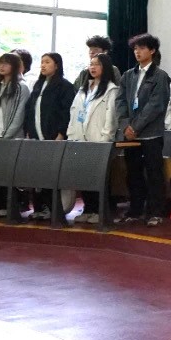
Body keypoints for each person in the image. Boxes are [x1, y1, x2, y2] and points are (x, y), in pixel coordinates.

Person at [114, 33, 171, 227]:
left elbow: (156, 105)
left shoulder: (160, 76)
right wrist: (125, 126)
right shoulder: (128, 75)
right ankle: (135, 210)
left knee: (154, 173)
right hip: (130, 135)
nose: (137, 52)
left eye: (142, 48)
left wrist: (136, 127)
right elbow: (120, 102)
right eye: (135, 49)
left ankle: (155, 212)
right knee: (133, 173)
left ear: (152, 50)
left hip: (151, 134)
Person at [22, 52, 76, 220]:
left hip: (54, 138)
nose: (43, 65)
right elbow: (30, 110)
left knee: (51, 175)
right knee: (37, 174)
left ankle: (53, 209)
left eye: (47, 62)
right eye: (42, 62)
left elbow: (67, 112)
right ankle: (39, 208)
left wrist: (61, 133)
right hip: (36, 138)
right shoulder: (38, 85)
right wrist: (28, 130)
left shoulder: (65, 86)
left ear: (57, 65)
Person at [68, 54, 120, 224]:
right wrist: (72, 135)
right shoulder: (83, 89)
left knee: (98, 178)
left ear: (105, 68)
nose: (93, 67)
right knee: (83, 176)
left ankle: (99, 211)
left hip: (99, 140)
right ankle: (88, 209)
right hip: (80, 139)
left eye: (97, 64)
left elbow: (111, 118)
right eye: (91, 64)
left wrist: (106, 138)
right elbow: (74, 113)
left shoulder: (111, 90)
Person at [0, 52, 29, 219]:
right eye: (0, 63)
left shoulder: (21, 87)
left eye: (6, 63)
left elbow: (19, 115)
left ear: (15, 66)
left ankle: (12, 206)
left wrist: (6, 136)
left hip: (12, 138)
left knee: (11, 173)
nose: (1, 66)